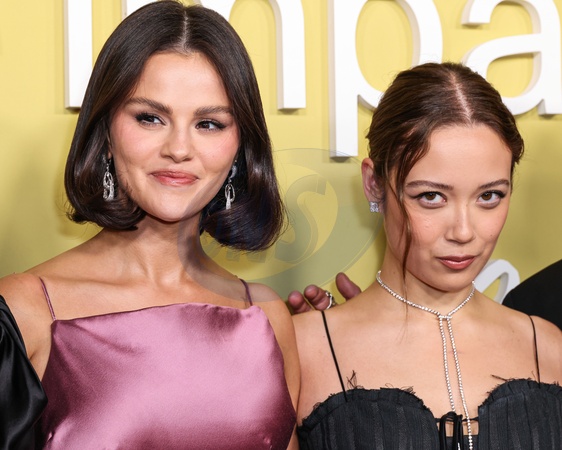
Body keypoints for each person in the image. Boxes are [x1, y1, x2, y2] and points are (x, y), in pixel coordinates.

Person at [0, 2, 299, 448]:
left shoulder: (267, 318)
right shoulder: (24, 310)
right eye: (150, 118)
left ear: (239, 146)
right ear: (106, 132)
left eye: (209, 124)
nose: (178, 148)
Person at [292, 62, 562, 450]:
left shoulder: (547, 346)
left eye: (489, 196)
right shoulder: (302, 348)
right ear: (374, 183)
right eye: (431, 197)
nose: (463, 232)